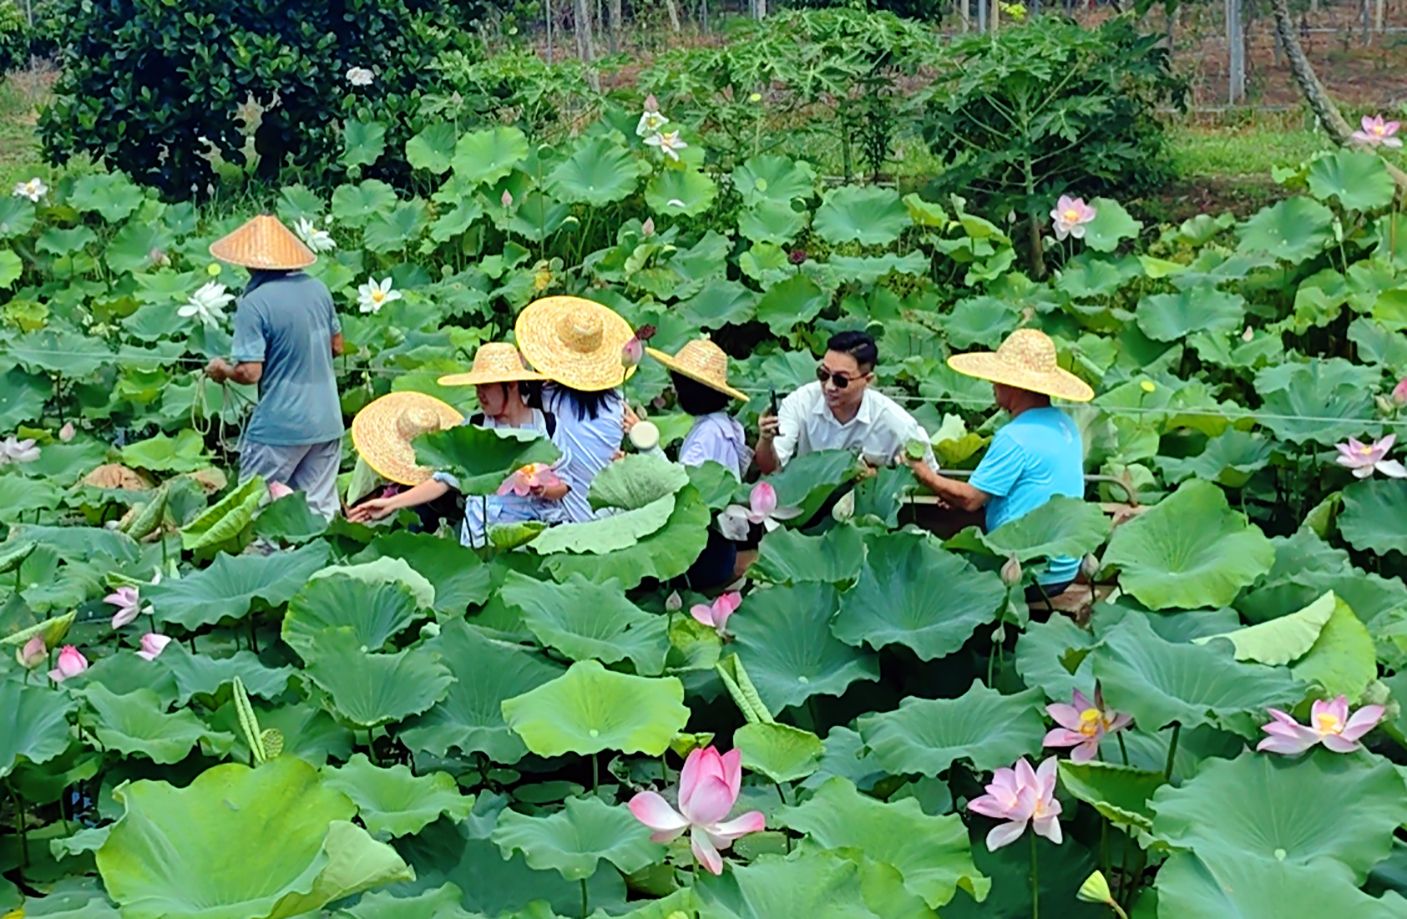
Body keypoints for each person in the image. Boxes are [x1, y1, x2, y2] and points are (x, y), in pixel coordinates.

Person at [905, 328, 1094, 602]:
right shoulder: (1066, 424)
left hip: (1030, 572)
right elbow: (1031, 489)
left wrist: (923, 473)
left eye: (998, 377)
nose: (992, 383)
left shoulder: (1014, 437)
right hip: (1066, 568)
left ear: (1015, 385)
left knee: (927, 575)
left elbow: (970, 499)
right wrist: (955, 495)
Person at [345, 345, 567, 546]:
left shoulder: (547, 425)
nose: (479, 394)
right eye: (477, 386)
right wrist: (391, 504)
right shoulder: (473, 427)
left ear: (511, 385)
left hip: (536, 534)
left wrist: (543, 489)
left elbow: (564, 484)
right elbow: (443, 480)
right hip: (484, 535)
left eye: (486, 386)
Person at [204, 214, 344, 519]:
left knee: (256, 511)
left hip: (279, 426)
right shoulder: (319, 289)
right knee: (318, 515)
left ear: (249, 262)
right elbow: (337, 346)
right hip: (326, 421)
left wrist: (222, 371)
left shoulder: (254, 303)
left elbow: (250, 372)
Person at [647, 338, 754, 590]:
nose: (674, 392)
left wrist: (645, 441)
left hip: (702, 553)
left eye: (678, 386)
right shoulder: (728, 425)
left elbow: (679, 485)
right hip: (724, 544)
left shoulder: (707, 434)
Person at [514, 296, 634, 524]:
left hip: (571, 522)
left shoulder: (547, 400)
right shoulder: (618, 403)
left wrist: (521, 367)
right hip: (614, 516)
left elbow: (515, 407)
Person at [755, 329, 936, 475]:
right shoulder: (800, 403)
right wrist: (765, 440)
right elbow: (770, 468)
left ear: (867, 380)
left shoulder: (893, 420)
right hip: (809, 504)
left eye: (840, 380)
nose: (829, 386)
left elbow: (930, 473)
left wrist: (886, 475)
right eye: (823, 374)